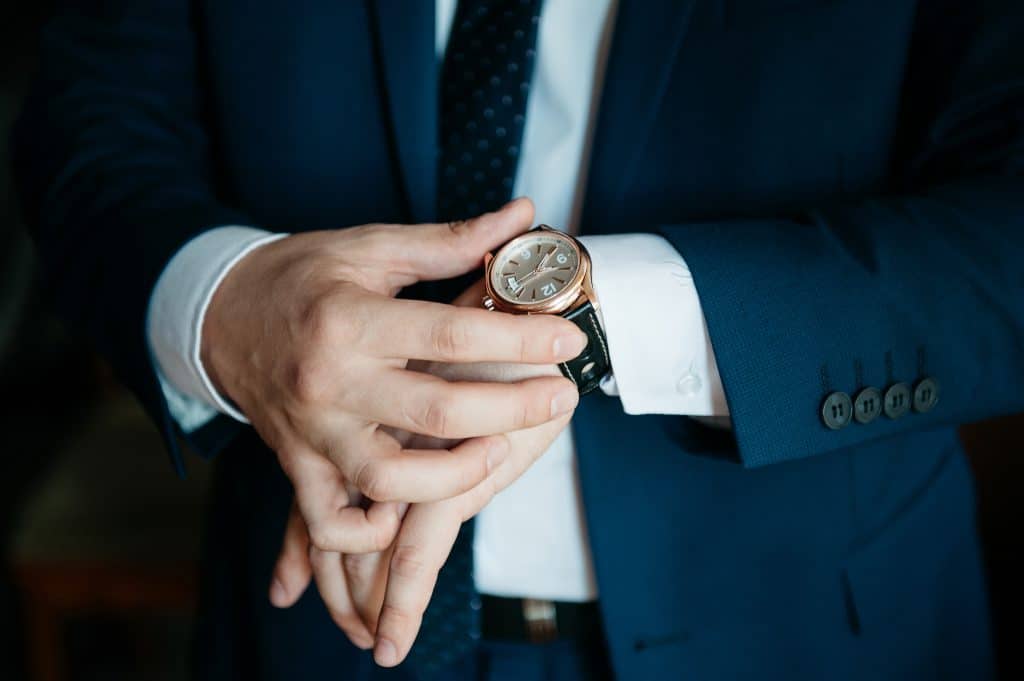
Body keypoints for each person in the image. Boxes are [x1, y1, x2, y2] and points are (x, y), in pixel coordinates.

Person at [13, 0, 1023, 679]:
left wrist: (591, 320)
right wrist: (225, 306)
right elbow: (90, 118)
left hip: (810, 629)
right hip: (311, 622)